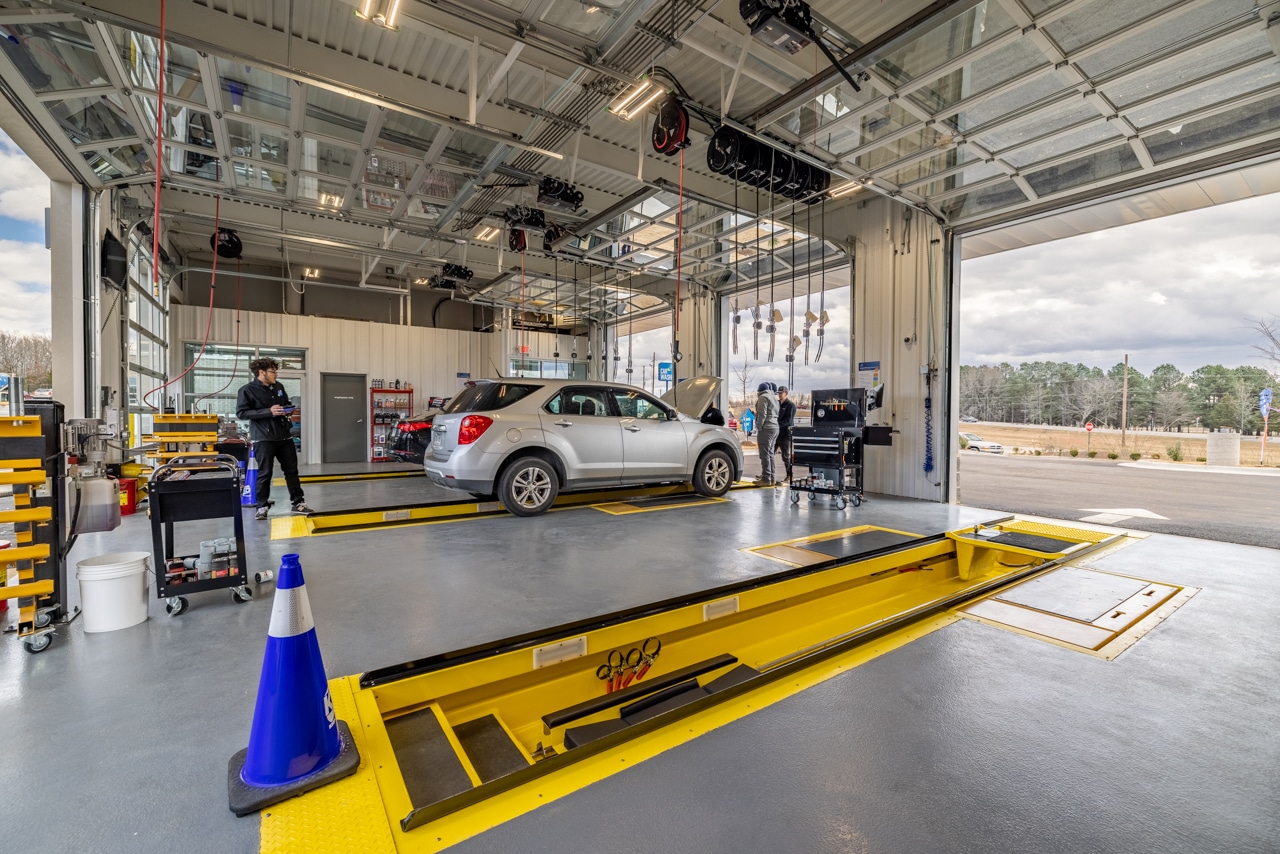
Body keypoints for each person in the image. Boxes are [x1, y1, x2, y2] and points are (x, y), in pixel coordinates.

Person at [237, 357, 311, 519]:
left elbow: (284, 402)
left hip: (284, 436)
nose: (275, 374)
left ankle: (298, 503)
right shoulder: (247, 390)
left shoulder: (278, 387)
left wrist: (288, 409)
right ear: (261, 372)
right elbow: (242, 413)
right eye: (272, 371)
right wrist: (268, 411)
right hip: (263, 438)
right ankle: (262, 506)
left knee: (292, 471)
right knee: (265, 473)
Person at [754, 381, 780, 486]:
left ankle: (765, 479)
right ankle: (772, 478)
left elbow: (762, 414)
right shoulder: (774, 397)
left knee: (764, 454)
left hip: (766, 428)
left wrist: (758, 427)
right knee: (770, 454)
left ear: (759, 391)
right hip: (775, 427)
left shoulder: (763, 398)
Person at [776, 385, 795, 484]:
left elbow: (789, 420)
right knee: (769, 454)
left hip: (785, 435)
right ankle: (767, 474)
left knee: (785, 456)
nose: (779, 395)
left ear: (786, 393)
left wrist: (777, 425)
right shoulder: (777, 404)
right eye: (778, 393)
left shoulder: (791, 405)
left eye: (781, 393)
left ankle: (789, 475)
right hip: (776, 434)